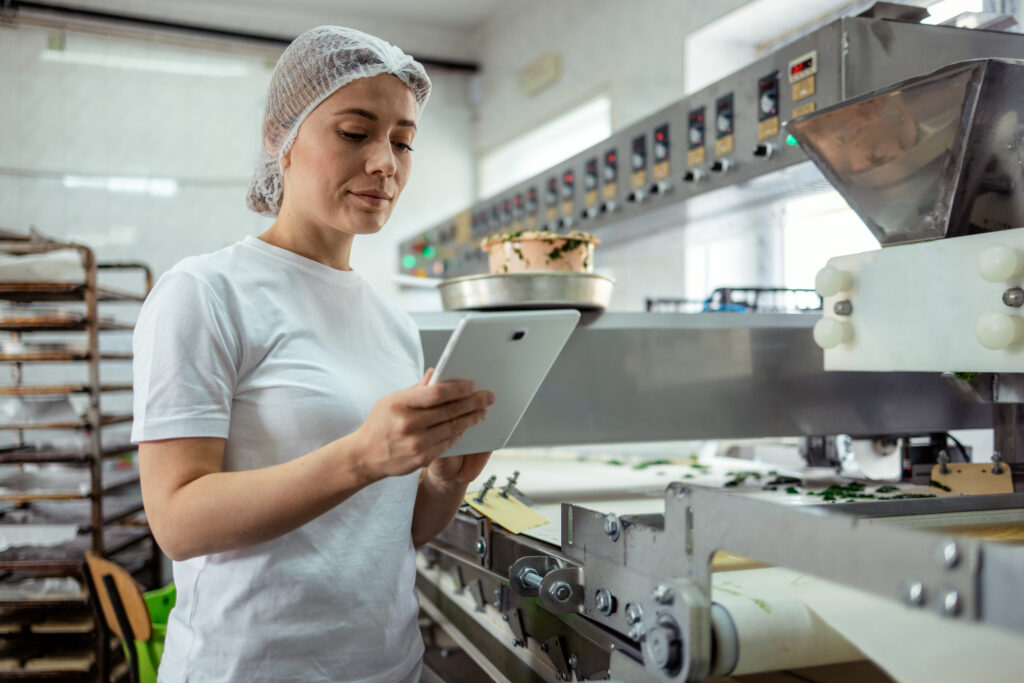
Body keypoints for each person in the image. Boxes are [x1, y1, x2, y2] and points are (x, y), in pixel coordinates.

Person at [131, 26, 494, 682]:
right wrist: (360, 455)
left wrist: (444, 479)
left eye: (403, 141)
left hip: (389, 667)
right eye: (356, 132)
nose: (386, 162)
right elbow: (176, 519)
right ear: (281, 138)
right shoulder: (204, 292)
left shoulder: (391, 321)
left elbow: (396, 531)